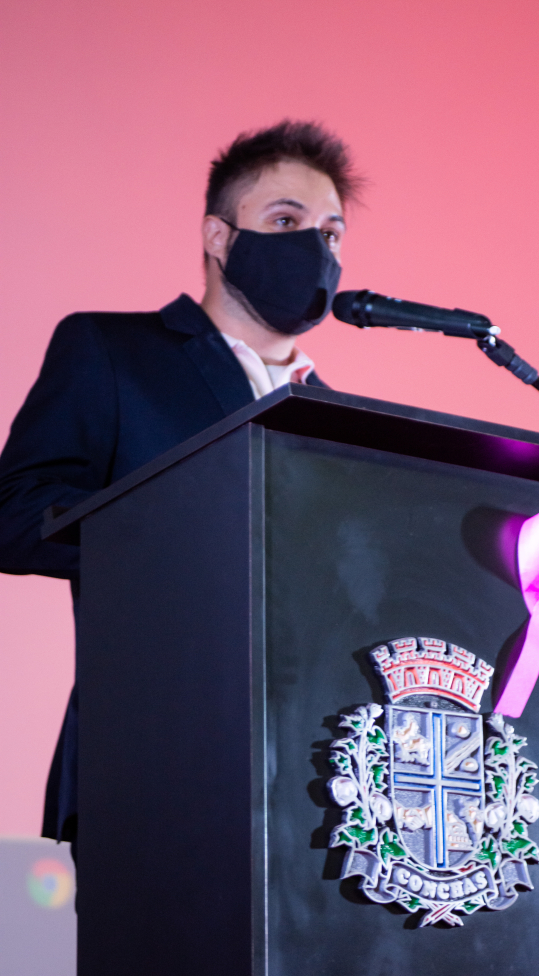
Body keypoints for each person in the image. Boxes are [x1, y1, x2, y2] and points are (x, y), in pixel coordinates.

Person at [0, 119, 363, 861]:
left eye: (329, 234)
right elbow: (12, 516)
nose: (314, 251)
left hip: (317, 791)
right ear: (219, 237)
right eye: (284, 222)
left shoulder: (345, 423)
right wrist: (174, 530)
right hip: (150, 766)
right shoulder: (112, 352)